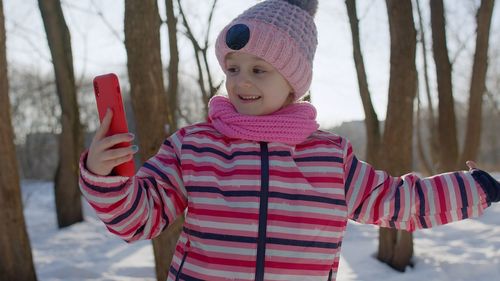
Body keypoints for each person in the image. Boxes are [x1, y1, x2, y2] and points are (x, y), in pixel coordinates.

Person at [79, 0, 500, 280]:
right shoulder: (194, 147)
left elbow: (398, 201)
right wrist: (106, 177)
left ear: (293, 80)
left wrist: (479, 187)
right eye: (233, 68)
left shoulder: (330, 158)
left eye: (259, 70)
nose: (240, 81)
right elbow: (139, 219)